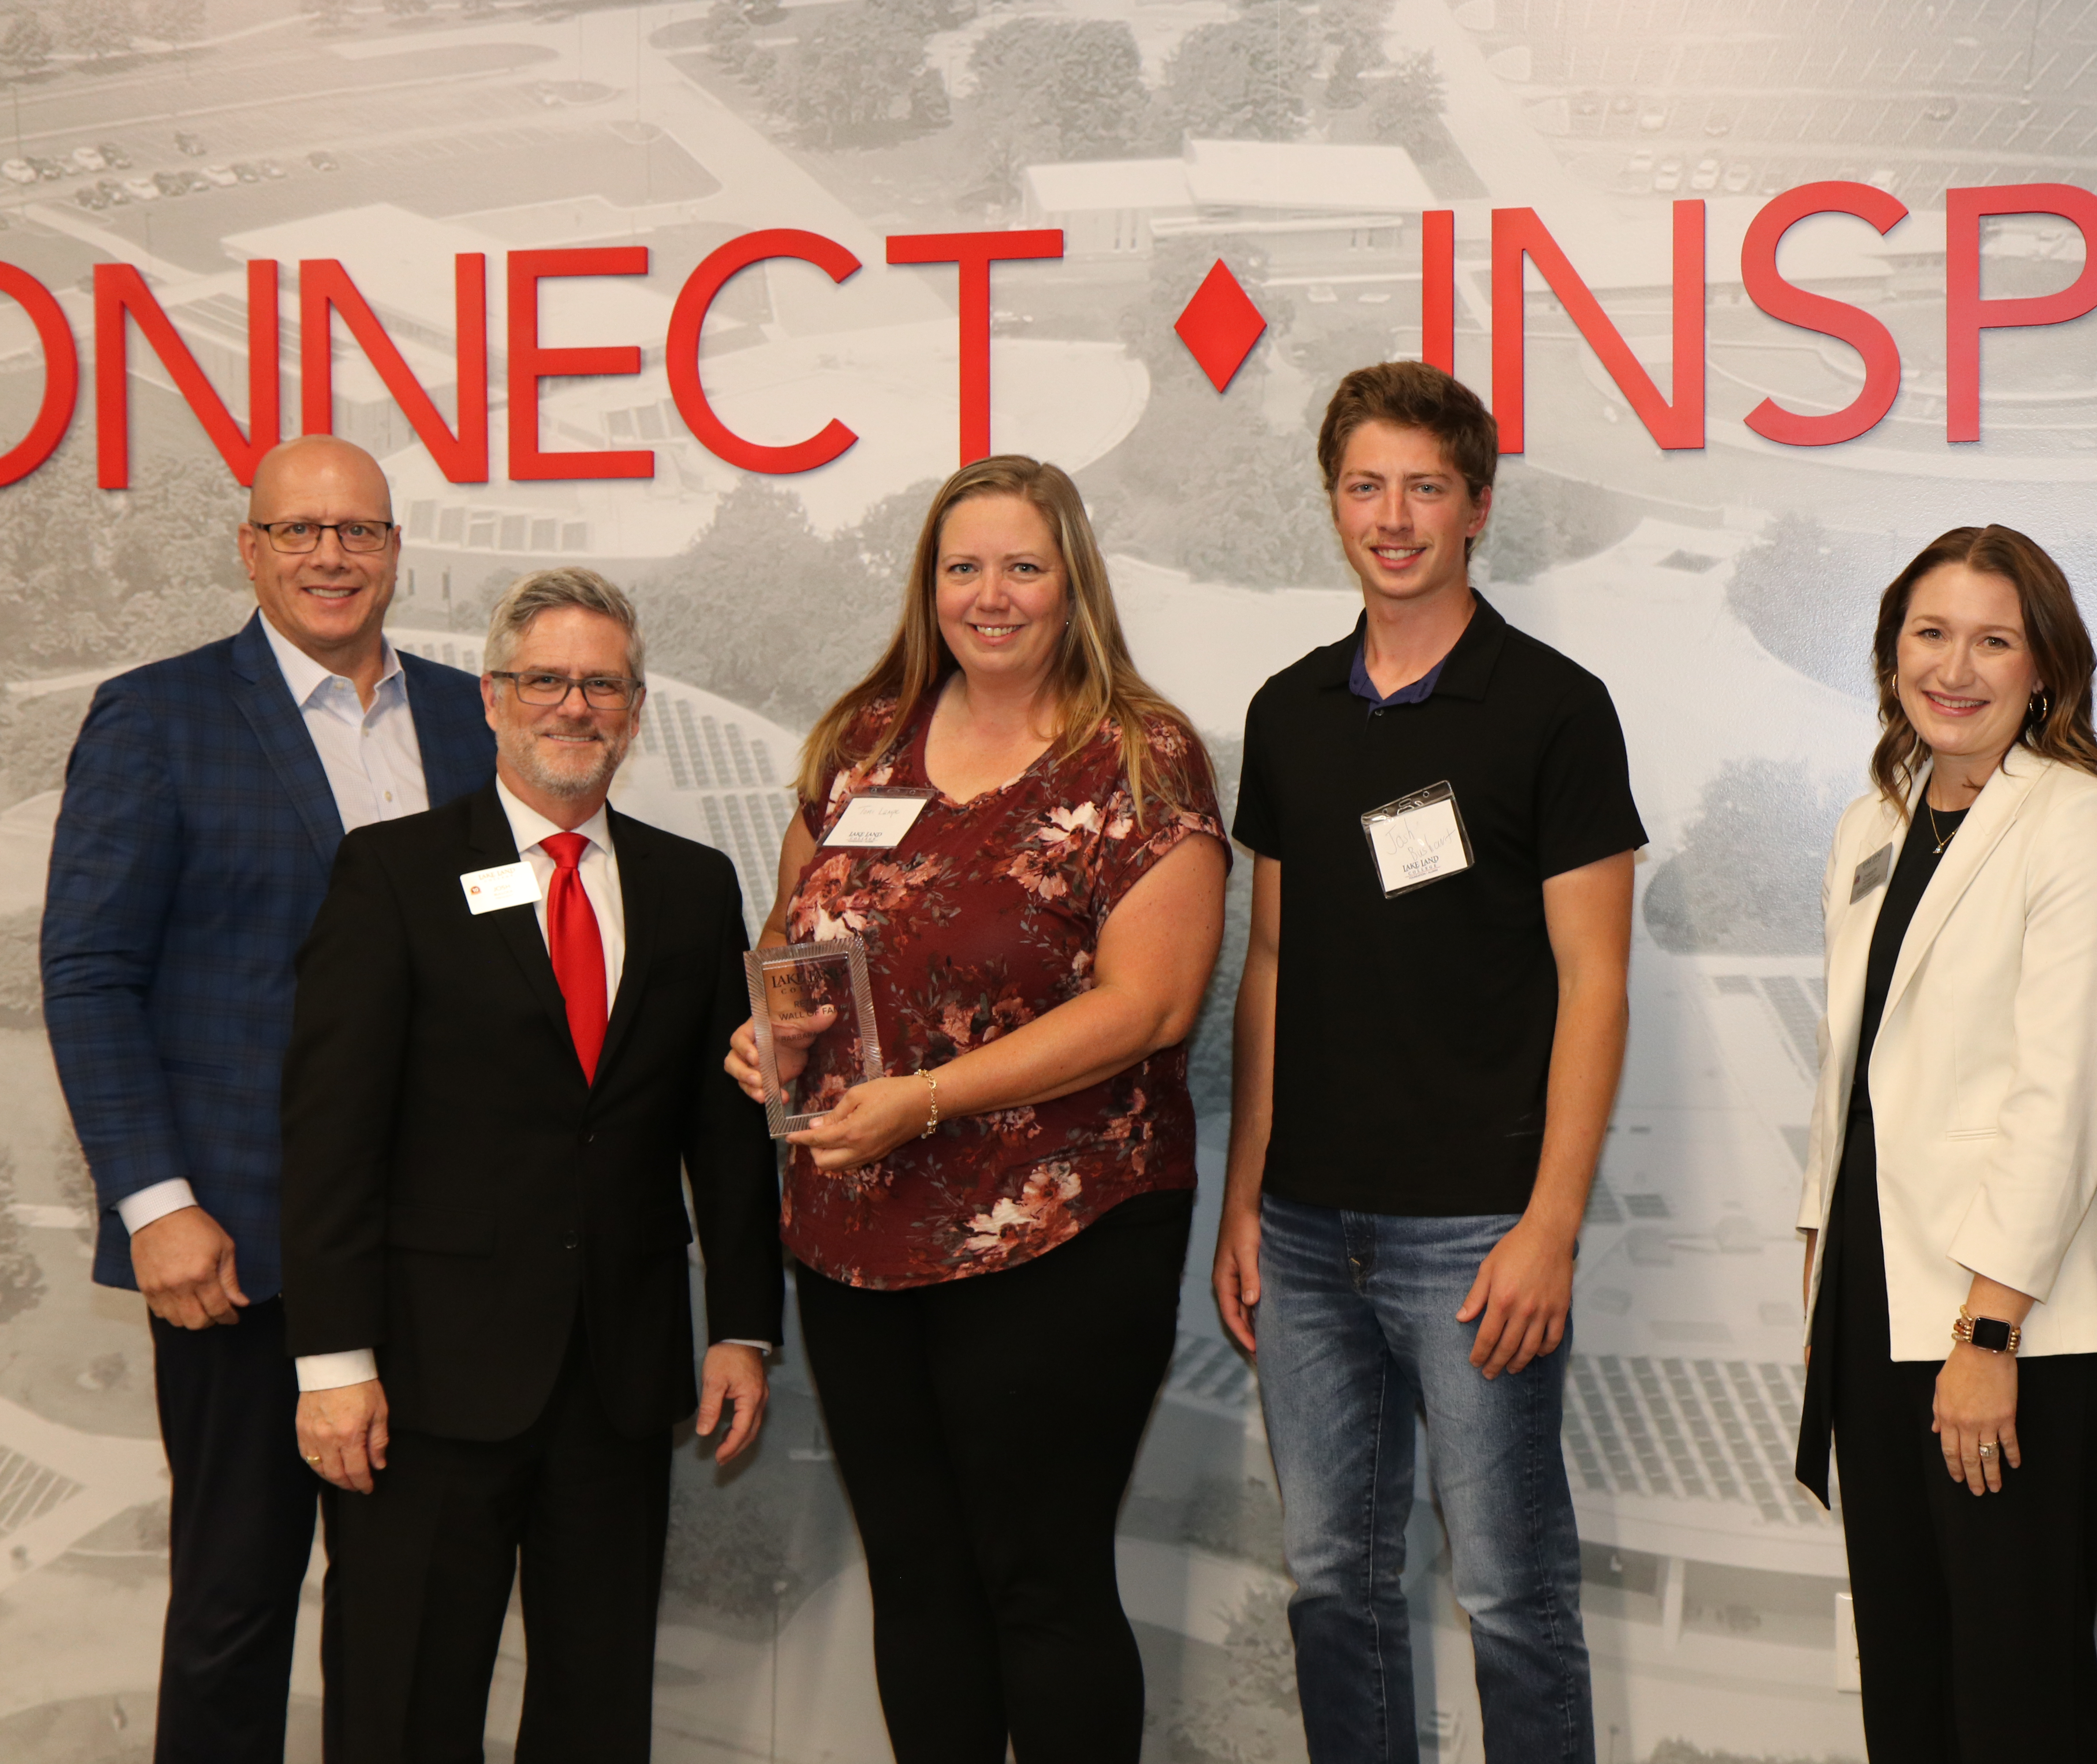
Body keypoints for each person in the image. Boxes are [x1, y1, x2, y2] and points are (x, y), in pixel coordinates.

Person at [720, 455, 1228, 1763]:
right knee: (921, 1579)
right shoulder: (859, 739)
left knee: (1039, 1582)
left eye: (1021, 566)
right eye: (962, 568)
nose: (988, 596)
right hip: (855, 1228)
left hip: (1065, 1230)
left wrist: (928, 1099)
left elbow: (1152, 1007)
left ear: (1073, 584)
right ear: (927, 585)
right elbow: (796, 938)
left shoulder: (1141, 755)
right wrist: (771, 1030)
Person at [39, 435, 496, 1764]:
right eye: (300, 532)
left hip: (433, 1252)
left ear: (397, 551)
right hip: (237, 1252)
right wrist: (157, 1204)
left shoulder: (476, 719)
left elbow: (512, 951)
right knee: (237, 1605)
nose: (330, 557)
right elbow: (90, 971)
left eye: (357, 531)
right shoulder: (158, 714)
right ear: (250, 550)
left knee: (404, 1618)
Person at [1211, 361, 1642, 1764]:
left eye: (1424, 488)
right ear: (1333, 503)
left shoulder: (1556, 709)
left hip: (1480, 1238)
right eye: (1364, 486)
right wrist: (1243, 1198)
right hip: (1307, 1232)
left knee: (1512, 1597)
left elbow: (1598, 982)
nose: (1392, 518)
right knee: (1334, 1586)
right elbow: (1270, 964)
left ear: (1478, 508)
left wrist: (1552, 1229)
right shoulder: (1288, 714)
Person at [280, 568, 783, 1763]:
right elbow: (331, 1131)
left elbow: (722, 1130)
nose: (575, 705)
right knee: (404, 1704)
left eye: (601, 684)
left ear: (637, 708)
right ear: (494, 700)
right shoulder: (391, 875)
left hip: (618, 1377)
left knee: (597, 1709)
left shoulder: (692, 886)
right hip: (424, 1382)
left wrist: (744, 1327)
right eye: (546, 680)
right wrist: (334, 1360)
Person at [1790, 524, 2097, 1761]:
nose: (1957, 666)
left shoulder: (2079, 824)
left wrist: (1988, 1329)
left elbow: (2064, 1096)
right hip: (1878, 1301)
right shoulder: (1872, 824)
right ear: (1894, 651)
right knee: (1907, 1671)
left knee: (2013, 1690)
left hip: (2016, 1325)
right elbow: (1855, 1075)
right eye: (1930, 634)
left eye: (1994, 639)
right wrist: (1818, 1261)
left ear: (2044, 666)